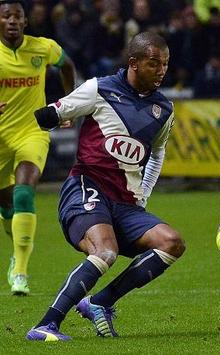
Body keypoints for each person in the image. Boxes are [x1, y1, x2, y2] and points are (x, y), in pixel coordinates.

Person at [26, 31, 185, 341]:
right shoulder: (99, 89)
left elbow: (157, 153)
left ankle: (100, 302)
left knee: (172, 243)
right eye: (154, 63)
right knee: (106, 250)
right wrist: (54, 113)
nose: (162, 70)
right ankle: (45, 325)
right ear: (134, 63)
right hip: (87, 187)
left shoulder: (162, 109)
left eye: (165, 64)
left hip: (125, 203)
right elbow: (49, 115)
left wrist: (144, 195)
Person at [0, 0, 76, 296]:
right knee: (7, 204)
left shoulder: (43, 47)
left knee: (23, 192)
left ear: (25, 21)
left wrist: (67, 104)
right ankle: (15, 256)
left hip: (32, 131)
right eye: (6, 16)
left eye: (17, 16)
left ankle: (20, 271)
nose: (12, 21)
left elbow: (67, 65)